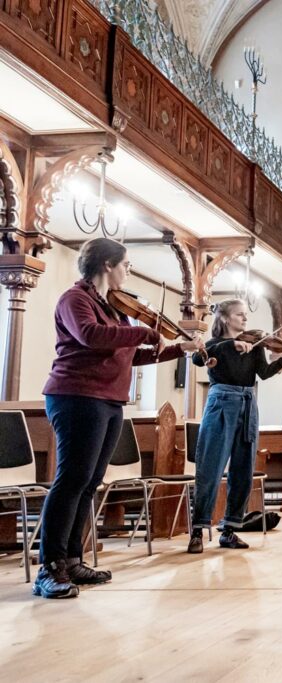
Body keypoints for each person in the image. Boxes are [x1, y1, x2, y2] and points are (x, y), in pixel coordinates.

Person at [35, 237, 201, 599]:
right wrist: (144, 331)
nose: (128, 271)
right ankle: (50, 567)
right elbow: (91, 336)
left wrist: (176, 348)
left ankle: (73, 560)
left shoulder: (114, 309)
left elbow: (127, 356)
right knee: (72, 479)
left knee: (90, 481)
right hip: (75, 394)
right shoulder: (74, 299)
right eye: (125, 264)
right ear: (107, 265)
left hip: (109, 399)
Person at [186, 299, 282, 554]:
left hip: (248, 402)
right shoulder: (214, 345)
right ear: (226, 319)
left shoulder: (254, 345)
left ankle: (229, 530)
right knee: (211, 466)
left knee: (243, 469)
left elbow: (265, 373)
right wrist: (231, 345)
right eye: (240, 315)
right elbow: (197, 358)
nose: (245, 319)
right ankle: (197, 530)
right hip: (221, 402)